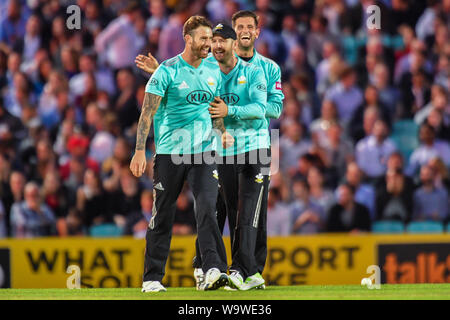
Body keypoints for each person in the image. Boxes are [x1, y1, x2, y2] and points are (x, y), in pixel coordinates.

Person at [129, 16, 230, 293]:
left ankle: (212, 270)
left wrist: (221, 131)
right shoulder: (167, 71)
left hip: (203, 152)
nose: (208, 44)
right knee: (163, 214)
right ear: (188, 39)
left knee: (209, 208)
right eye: (203, 39)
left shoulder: (213, 69)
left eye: (210, 39)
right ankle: (151, 278)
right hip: (169, 153)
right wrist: (139, 150)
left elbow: (215, 105)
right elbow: (147, 113)